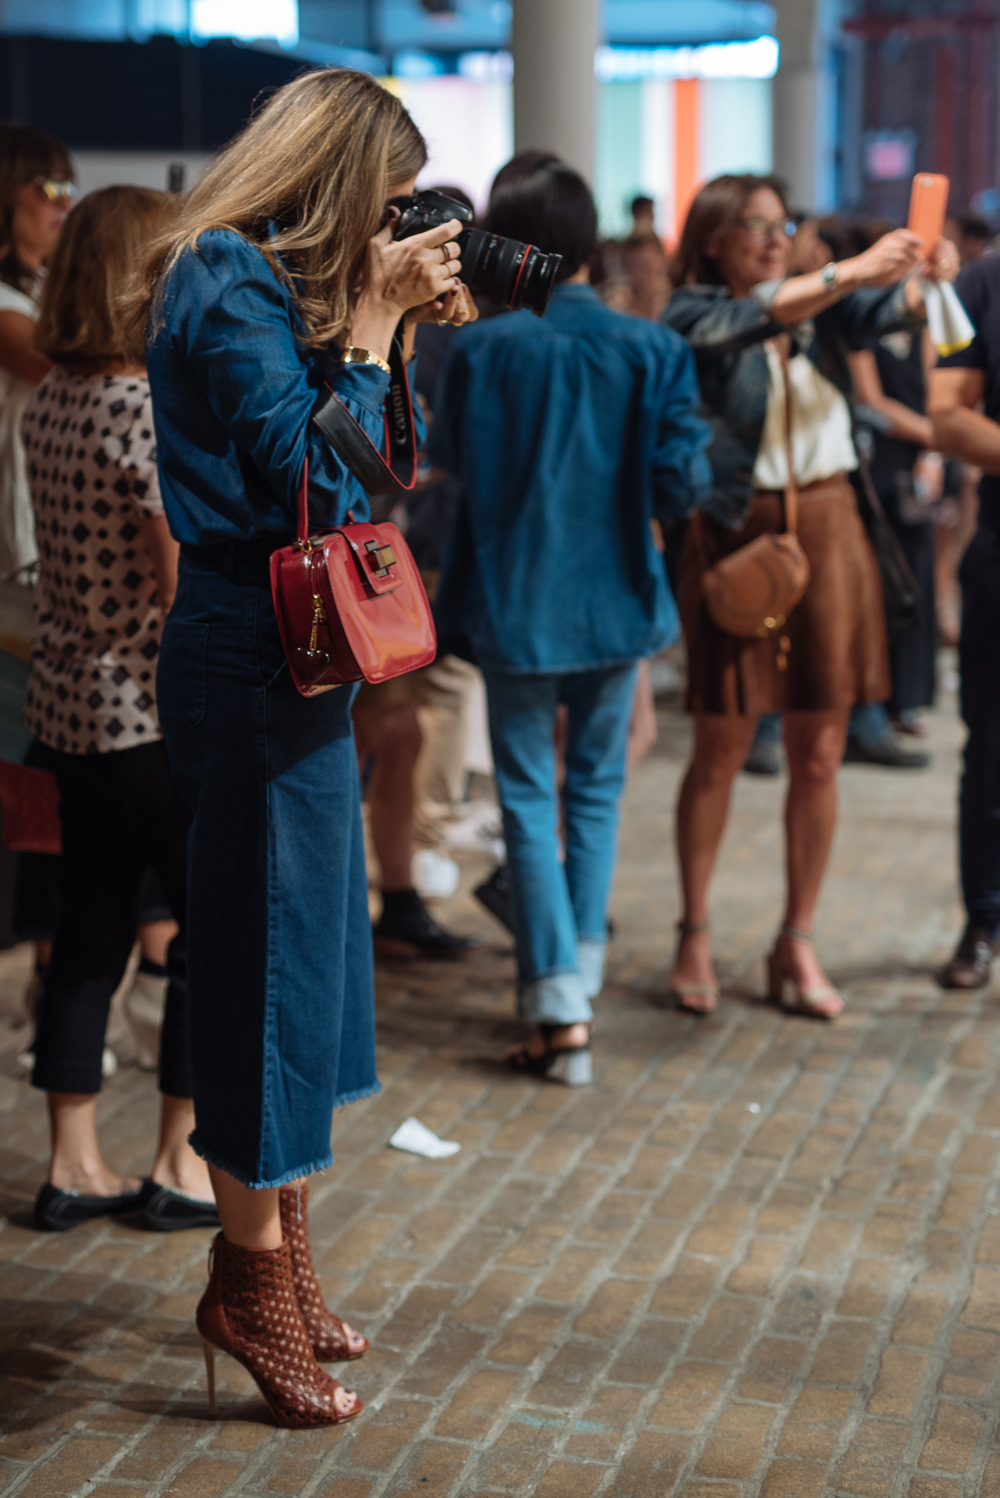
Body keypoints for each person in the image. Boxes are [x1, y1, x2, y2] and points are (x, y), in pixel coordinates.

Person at [136, 68, 472, 1427]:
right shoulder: (222, 276)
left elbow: (379, 457)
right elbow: (305, 481)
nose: (397, 218)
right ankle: (245, 1283)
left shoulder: (286, 297)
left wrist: (396, 329)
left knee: (315, 963)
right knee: (260, 972)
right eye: (387, 193)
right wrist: (377, 318)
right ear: (334, 178)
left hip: (308, 666)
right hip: (246, 651)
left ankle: (288, 1251)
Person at [430, 159, 711, 1085]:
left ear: (507, 244)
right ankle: (571, 993)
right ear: (591, 242)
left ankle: (558, 1006)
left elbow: (453, 468)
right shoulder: (652, 349)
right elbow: (681, 485)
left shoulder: (480, 350)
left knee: (525, 795)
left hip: (515, 598)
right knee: (592, 794)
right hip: (619, 595)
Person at [663, 173, 957, 1019]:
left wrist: (915, 274)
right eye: (750, 225)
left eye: (779, 223)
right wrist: (849, 271)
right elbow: (746, 320)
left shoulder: (826, 310)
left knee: (821, 751)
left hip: (832, 526)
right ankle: (694, 927)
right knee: (720, 743)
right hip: (734, 532)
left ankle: (797, 939)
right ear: (713, 238)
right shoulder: (693, 312)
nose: (769, 236)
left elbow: (890, 314)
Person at [23, 185, 218, 1234]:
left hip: (63, 708)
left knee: (87, 933)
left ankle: (71, 1161)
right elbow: (176, 586)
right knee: (197, 932)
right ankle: (178, 1162)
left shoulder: (52, 398)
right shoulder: (142, 408)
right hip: (147, 712)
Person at [928, 254, 1000, 990]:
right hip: (999, 559)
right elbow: (948, 418)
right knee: (991, 760)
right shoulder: (983, 284)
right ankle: (984, 918)